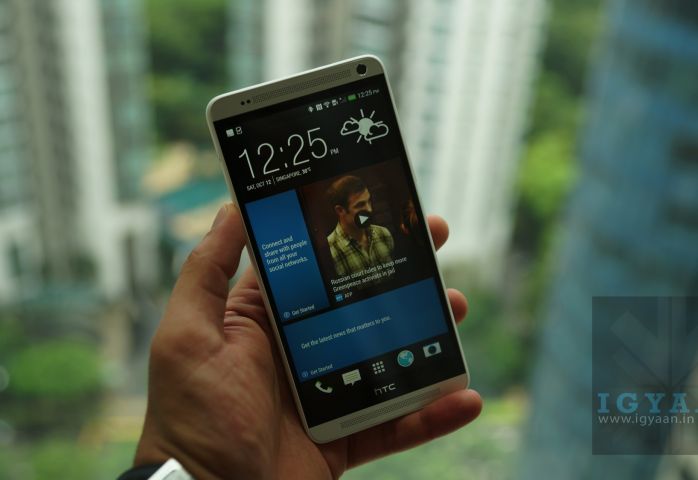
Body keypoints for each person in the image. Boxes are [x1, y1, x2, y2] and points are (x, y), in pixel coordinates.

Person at [120, 204, 482, 479]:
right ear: (340, 211)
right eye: (360, 206)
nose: (368, 212)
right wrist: (196, 466)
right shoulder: (329, 249)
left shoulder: (385, 237)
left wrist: (195, 469)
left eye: (370, 204)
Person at [326, 176, 394, 277]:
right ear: (340, 210)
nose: (369, 209)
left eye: (369, 201)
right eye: (360, 205)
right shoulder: (331, 251)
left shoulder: (383, 233)